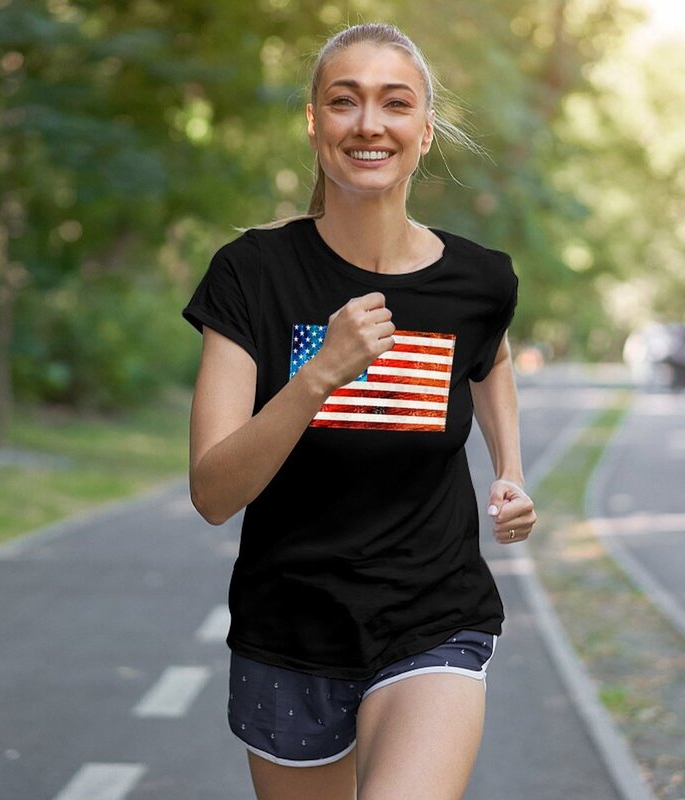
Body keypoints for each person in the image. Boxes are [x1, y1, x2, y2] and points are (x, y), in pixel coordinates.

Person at [182, 21, 536, 800]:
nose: (369, 124)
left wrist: (510, 468)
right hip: (290, 633)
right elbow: (213, 493)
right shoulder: (252, 275)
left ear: (423, 129)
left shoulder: (479, 280)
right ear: (315, 123)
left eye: (394, 103)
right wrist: (319, 376)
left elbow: (493, 356)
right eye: (344, 102)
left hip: (434, 618)